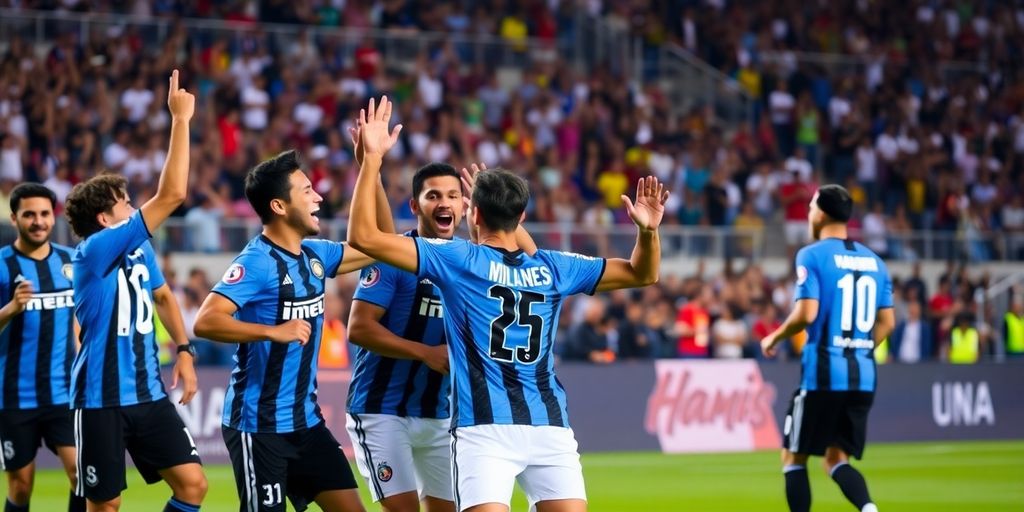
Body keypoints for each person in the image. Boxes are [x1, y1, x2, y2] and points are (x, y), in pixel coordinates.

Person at [347, 96, 667, 512]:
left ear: (472, 213)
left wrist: (371, 159)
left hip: (483, 429)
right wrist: (648, 232)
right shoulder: (554, 267)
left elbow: (365, 239)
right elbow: (644, 274)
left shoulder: (460, 260)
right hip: (549, 426)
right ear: (521, 216)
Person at [193, 147, 382, 512]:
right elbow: (206, 320)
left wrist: (369, 163)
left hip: (307, 423)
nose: (319, 197)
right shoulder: (257, 262)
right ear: (279, 206)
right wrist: (271, 332)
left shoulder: (315, 255)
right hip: (258, 427)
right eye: (307, 190)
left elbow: (375, 247)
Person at [64, 70, 206, 512]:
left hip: (148, 391)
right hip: (100, 397)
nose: (133, 206)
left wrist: (184, 350)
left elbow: (163, 297)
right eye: (124, 202)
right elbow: (173, 193)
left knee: (193, 486)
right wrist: (180, 121)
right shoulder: (93, 252)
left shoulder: (140, 248)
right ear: (106, 220)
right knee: (105, 506)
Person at [760, 184, 895, 512]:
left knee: (794, 456)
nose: (808, 214)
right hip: (863, 376)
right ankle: (869, 509)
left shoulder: (812, 255)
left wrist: (774, 337)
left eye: (809, 208)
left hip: (822, 375)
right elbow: (887, 324)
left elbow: (807, 313)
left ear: (820, 213)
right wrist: (858, 347)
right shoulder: (876, 263)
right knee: (836, 458)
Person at [0, 184, 84, 512]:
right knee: (20, 487)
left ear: (54, 216)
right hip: (14, 396)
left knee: (81, 474)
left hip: (64, 393)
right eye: (29, 214)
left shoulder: (71, 260)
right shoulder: (3, 265)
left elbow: (80, 317)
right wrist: (10, 309)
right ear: (14, 218)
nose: (38, 221)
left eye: (44, 214)